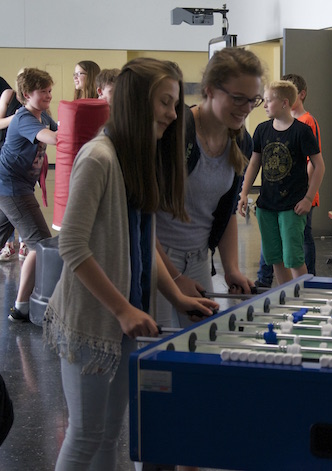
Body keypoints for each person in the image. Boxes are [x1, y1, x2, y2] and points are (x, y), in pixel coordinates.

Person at [42, 57, 219, 471]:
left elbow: (143, 243)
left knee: (109, 434)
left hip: (127, 319)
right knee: (85, 435)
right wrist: (122, 310)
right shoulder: (98, 157)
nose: (172, 114)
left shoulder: (138, 158)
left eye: (175, 104)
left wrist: (175, 296)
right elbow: (72, 245)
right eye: (164, 102)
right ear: (137, 102)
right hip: (92, 320)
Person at [155, 47, 262, 330]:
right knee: (161, 348)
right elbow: (142, 217)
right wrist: (174, 279)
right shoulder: (176, 132)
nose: (247, 107)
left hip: (200, 258)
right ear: (210, 90)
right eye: (238, 98)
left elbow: (226, 213)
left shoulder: (242, 142)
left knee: (200, 342)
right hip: (158, 258)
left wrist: (232, 269)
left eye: (253, 100)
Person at [237, 80, 324, 286]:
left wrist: (308, 198)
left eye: (268, 101)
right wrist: (244, 193)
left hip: (292, 206)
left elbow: (319, 166)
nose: (265, 105)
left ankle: (302, 296)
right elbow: (254, 163)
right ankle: (286, 295)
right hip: (267, 205)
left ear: (284, 103)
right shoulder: (262, 130)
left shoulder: (302, 131)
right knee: (274, 257)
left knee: (293, 257)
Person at [0, 68, 58, 321]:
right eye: (43, 91)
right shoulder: (24, 118)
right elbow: (54, 138)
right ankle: (22, 306)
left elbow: (59, 127)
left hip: (14, 186)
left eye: (50, 90)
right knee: (41, 244)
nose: (49, 95)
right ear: (26, 94)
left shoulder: (42, 115)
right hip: (12, 188)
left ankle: (22, 305)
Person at [0, 77, 27, 262]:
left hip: (19, 162)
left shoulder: (30, 105)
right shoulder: (8, 95)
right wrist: (15, 118)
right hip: (6, 158)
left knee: (14, 206)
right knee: (9, 206)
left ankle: (23, 242)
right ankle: (11, 243)